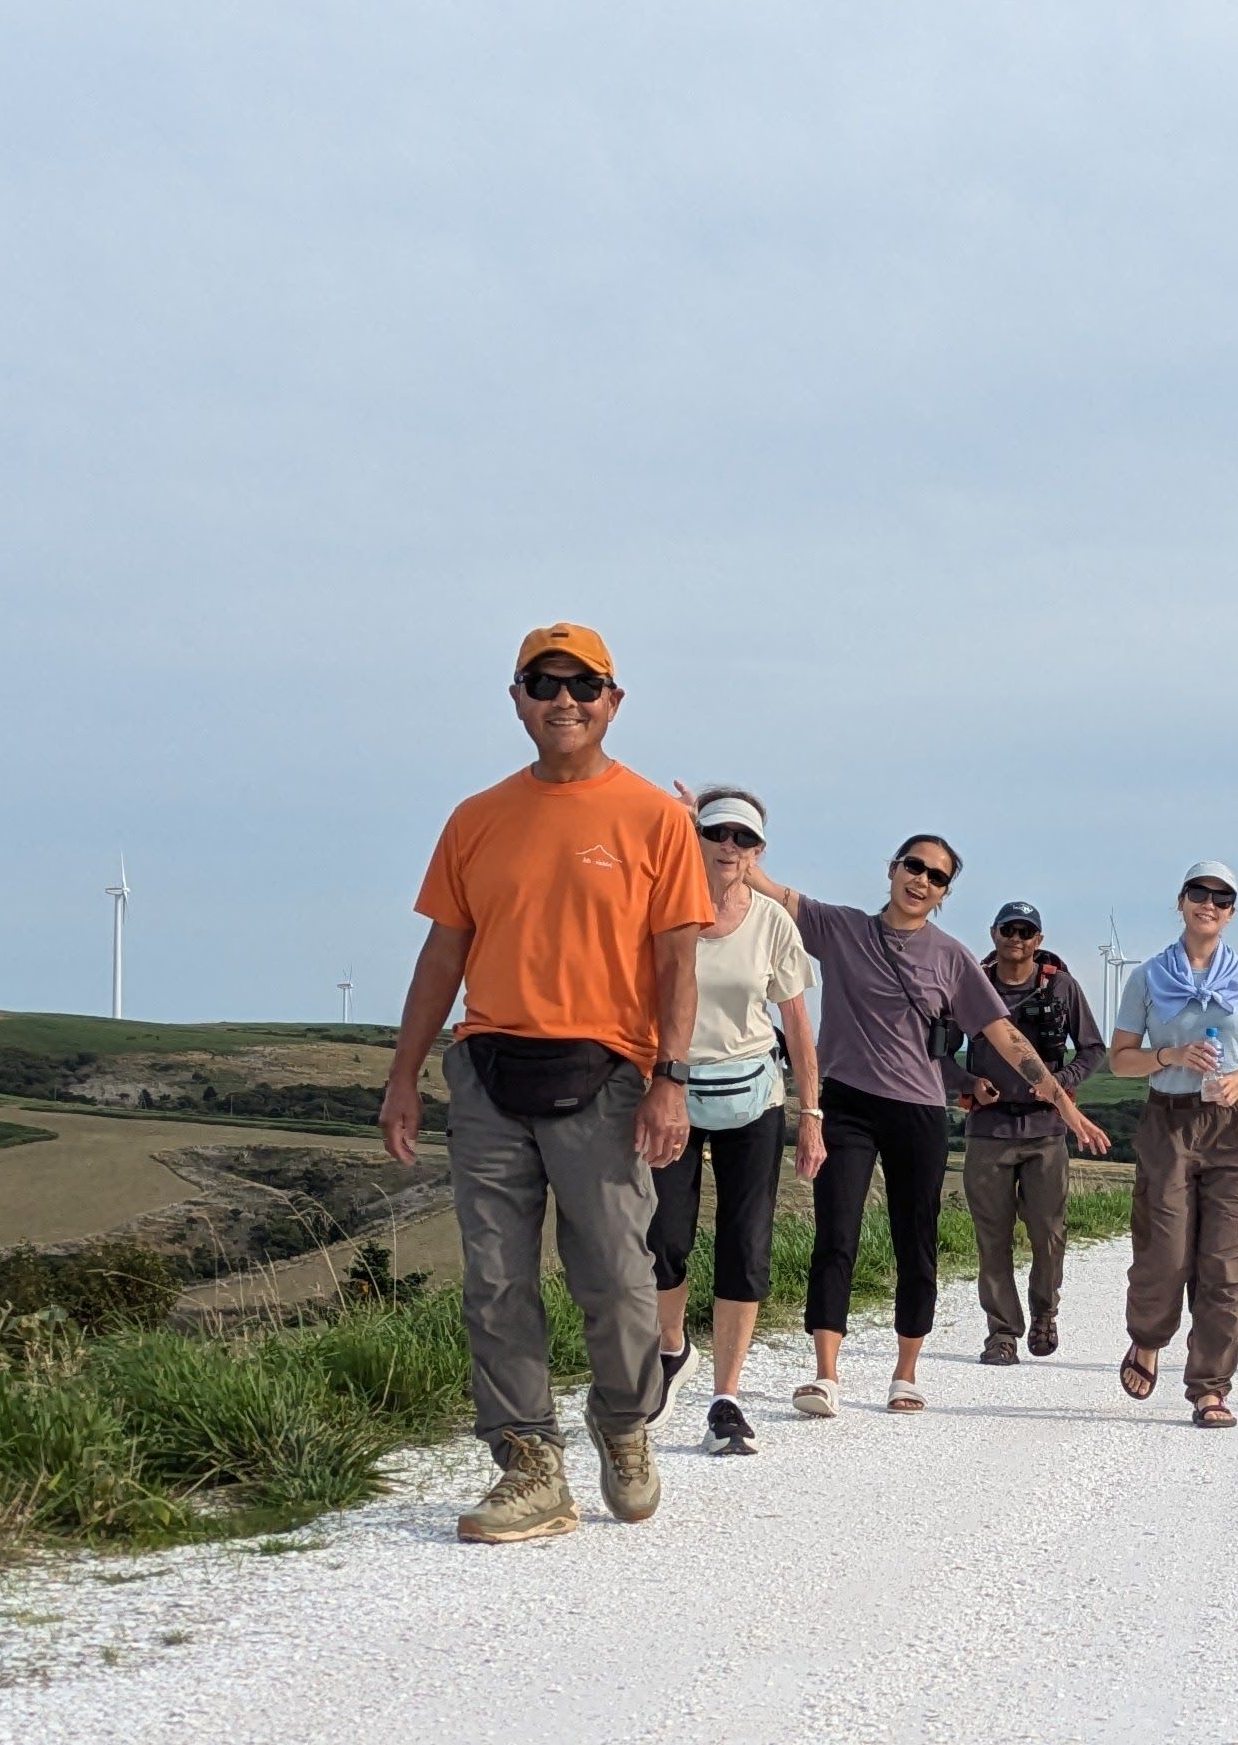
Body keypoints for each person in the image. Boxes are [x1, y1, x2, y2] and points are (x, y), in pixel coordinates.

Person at [378, 623, 709, 1544]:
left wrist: (669, 1079)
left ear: (613, 699)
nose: (563, 699)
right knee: (494, 1279)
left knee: (614, 1275)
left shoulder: (653, 818)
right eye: (543, 682)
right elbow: (443, 951)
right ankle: (528, 1461)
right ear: (517, 698)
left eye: (583, 684)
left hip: (606, 1075)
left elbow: (679, 962)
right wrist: (404, 1075)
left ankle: (623, 1422)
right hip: (488, 1071)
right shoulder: (475, 818)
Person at [777, 836, 1108, 1416]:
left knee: (915, 1239)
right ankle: (825, 1374)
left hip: (919, 1109)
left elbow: (1005, 1037)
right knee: (836, 1234)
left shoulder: (952, 958)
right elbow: (768, 890)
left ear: (945, 894)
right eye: (914, 867)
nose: (921, 881)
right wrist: (699, 834)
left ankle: (905, 1373)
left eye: (936, 877)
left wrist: (1064, 1102)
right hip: (847, 1102)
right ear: (893, 869)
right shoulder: (842, 928)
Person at [645, 787, 825, 1456]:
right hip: (675, 1091)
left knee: (744, 1247)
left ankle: (726, 1396)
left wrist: (811, 1113)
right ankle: (672, 1344)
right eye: (717, 833)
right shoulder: (662, 910)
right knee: (663, 1237)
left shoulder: (774, 924)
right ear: (696, 838)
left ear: (758, 852)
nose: (729, 847)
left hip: (753, 1095)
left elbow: (797, 1026)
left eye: (743, 839)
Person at [1106, 861, 1238, 1429]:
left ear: (1232, 912)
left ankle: (1210, 1386)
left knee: (1226, 1259)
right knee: (1164, 1250)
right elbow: (1119, 1060)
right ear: (1181, 901)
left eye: (1222, 897)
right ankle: (1148, 1339)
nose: (1209, 904)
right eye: (1199, 893)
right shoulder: (1147, 977)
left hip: (1232, 1124)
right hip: (1170, 1119)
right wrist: (1171, 1056)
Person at [953, 899, 1105, 1364]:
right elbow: (936, 1050)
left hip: (1045, 1130)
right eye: (1008, 930)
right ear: (993, 934)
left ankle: (1044, 1312)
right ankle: (1002, 1333)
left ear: (1038, 940)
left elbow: (1093, 1048)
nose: (1016, 939)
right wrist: (966, 1083)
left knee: (1047, 1231)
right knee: (992, 1236)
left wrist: (1062, 1085)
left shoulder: (1060, 987)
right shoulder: (971, 986)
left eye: (1025, 932)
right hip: (988, 1127)